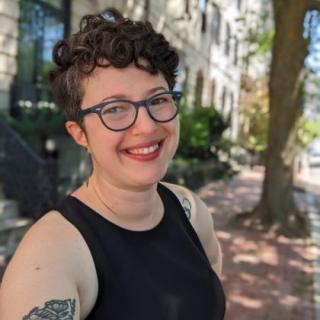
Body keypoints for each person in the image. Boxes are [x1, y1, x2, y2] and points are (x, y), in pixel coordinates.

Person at [0, 10, 225, 320]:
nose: (146, 126)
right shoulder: (50, 257)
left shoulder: (191, 210)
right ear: (80, 134)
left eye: (158, 99)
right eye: (115, 108)